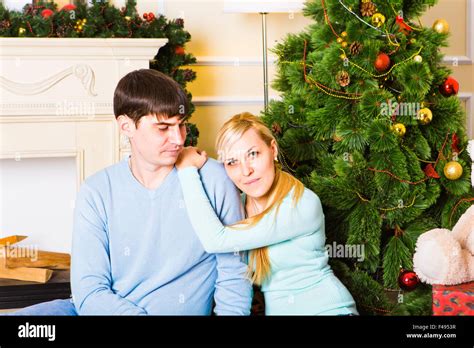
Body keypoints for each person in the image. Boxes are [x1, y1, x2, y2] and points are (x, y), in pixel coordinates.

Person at [8, 69, 252, 315]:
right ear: (126, 126)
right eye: (163, 127)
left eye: (182, 125)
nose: (178, 138)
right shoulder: (97, 190)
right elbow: (89, 290)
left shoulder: (213, 179)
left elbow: (234, 276)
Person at [175, 112, 358, 315]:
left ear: (272, 149)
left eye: (253, 154)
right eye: (232, 162)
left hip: (329, 310)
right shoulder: (240, 206)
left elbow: (215, 240)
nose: (246, 171)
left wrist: (187, 171)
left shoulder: (301, 204)